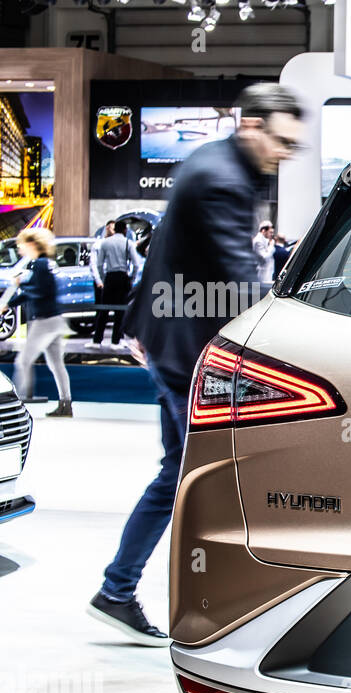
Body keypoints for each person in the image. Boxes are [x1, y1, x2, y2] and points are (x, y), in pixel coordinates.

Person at [87, 83, 304, 646]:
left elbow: (171, 251)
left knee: (179, 474)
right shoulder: (222, 180)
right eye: (281, 141)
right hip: (187, 352)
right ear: (253, 126)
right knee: (200, 478)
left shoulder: (213, 162)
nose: (285, 154)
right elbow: (235, 278)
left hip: (170, 341)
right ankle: (178, 597)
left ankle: (119, 589)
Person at [8, 227, 73, 418]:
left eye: (22, 245)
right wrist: (13, 302)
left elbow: (38, 291)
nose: (20, 250)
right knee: (56, 364)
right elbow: (35, 291)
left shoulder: (41, 265)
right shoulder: (44, 264)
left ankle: (16, 408)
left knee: (23, 361)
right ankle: (66, 404)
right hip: (55, 320)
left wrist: (21, 285)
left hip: (45, 322)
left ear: (32, 244)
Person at [89, 217, 143, 347]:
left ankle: (97, 340)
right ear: (124, 230)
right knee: (120, 311)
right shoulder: (128, 243)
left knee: (104, 310)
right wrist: (132, 277)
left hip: (109, 277)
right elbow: (136, 264)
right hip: (123, 277)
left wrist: (102, 278)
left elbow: (100, 264)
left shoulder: (105, 243)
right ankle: (115, 341)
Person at [253, 220, 275, 285]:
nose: (272, 234)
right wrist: (271, 246)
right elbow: (265, 257)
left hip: (267, 271)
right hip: (263, 273)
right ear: (263, 230)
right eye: (270, 232)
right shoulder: (258, 241)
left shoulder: (264, 239)